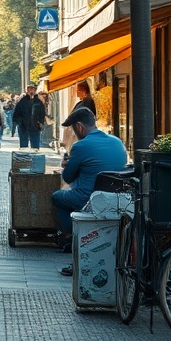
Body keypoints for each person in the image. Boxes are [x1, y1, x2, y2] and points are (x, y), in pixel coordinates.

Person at [51, 106, 128, 274]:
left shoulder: (81, 146)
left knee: (57, 197)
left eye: (73, 129)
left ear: (79, 126)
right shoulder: (117, 142)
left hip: (89, 199)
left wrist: (66, 165)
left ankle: (71, 237)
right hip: (117, 198)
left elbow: (69, 177)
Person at [62, 81, 97, 152]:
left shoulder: (87, 102)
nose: (77, 94)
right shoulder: (83, 102)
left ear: (84, 91)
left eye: (78, 91)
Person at [12, 84, 46, 150]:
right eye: (29, 89)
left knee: (35, 147)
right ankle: (24, 158)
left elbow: (42, 113)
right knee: (23, 147)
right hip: (23, 126)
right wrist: (19, 122)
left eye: (32, 89)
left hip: (35, 125)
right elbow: (16, 113)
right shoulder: (22, 101)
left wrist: (41, 122)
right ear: (27, 90)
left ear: (35, 90)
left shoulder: (38, 102)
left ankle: (34, 158)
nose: (31, 90)